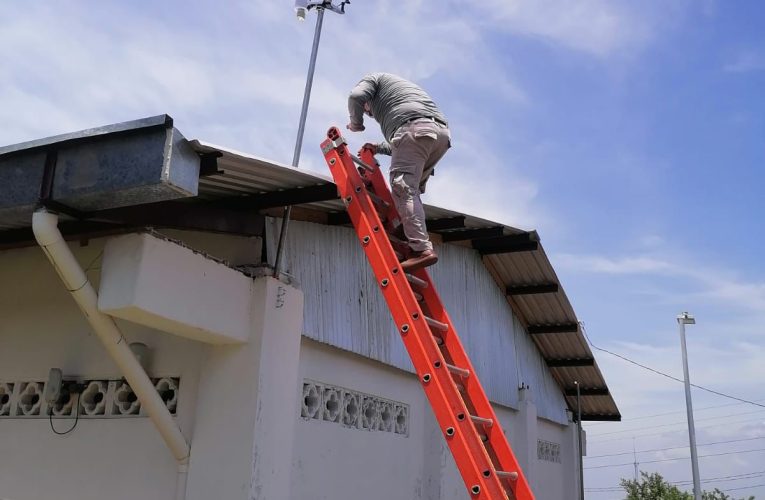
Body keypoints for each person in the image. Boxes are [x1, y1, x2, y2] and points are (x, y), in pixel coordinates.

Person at [346, 72, 451, 271]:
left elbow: (355, 97)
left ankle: (422, 250)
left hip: (415, 130)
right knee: (413, 188)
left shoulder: (372, 80)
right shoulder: (400, 96)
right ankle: (409, 227)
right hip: (440, 135)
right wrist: (377, 147)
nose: (370, 115)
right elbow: (404, 143)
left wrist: (356, 124)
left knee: (402, 188)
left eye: (368, 111)